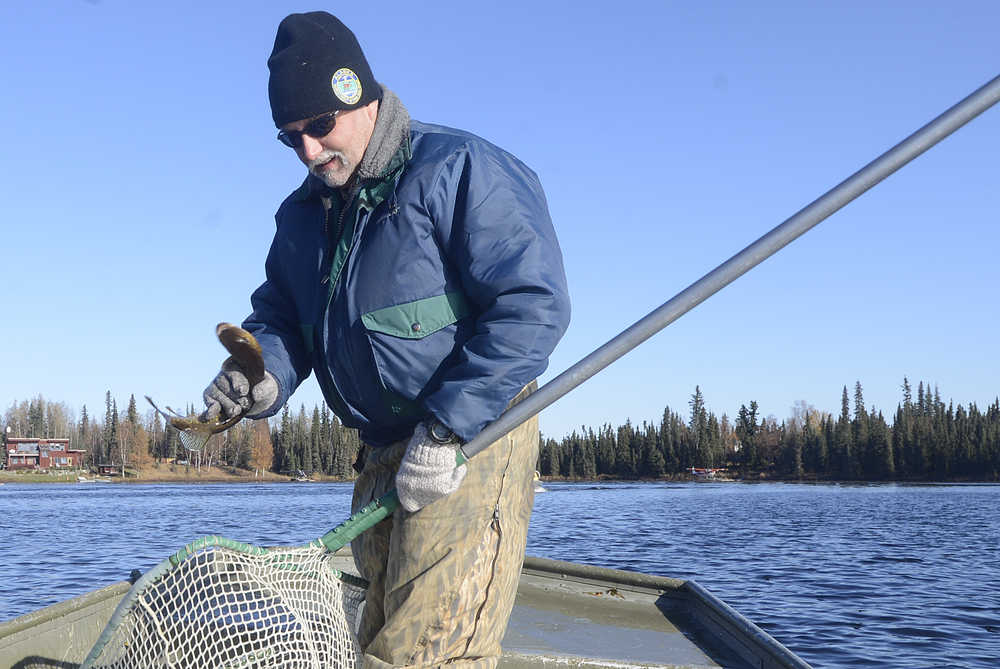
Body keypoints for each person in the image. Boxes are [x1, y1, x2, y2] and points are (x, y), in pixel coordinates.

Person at [201, 11, 570, 668]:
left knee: (423, 649)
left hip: (474, 438)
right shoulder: (300, 216)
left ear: (361, 95)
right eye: (291, 139)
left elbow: (533, 305)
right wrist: (259, 369)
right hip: (380, 451)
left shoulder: (459, 169)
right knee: (377, 626)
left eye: (319, 127)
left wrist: (450, 427)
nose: (310, 151)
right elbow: (284, 318)